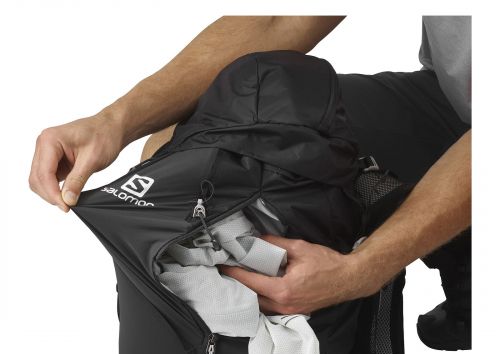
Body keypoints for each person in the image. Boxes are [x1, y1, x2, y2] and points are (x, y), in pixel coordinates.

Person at [28, 16, 471, 332]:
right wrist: (114, 122)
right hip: (447, 100)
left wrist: (362, 269)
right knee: (186, 147)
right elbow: (276, 20)